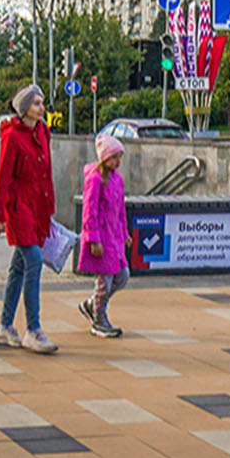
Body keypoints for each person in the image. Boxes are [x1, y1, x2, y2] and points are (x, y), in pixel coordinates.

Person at [0, 83, 58, 354]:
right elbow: (3, 176)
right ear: (24, 109)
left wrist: (49, 206)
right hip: (18, 208)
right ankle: (33, 330)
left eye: (41, 103)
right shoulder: (12, 136)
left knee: (18, 268)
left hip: (36, 205)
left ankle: (5, 327)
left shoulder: (43, 131)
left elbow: (47, 169)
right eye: (36, 104)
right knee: (33, 261)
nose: (42, 108)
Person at [77, 132, 130, 337]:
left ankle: (93, 304)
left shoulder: (117, 180)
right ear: (104, 157)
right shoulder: (96, 178)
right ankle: (99, 317)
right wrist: (93, 238)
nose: (118, 161)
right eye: (114, 157)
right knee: (105, 279)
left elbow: (120, 209)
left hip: (114, 236)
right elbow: (89, 210)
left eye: (119, 157)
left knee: (122, 276)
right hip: (103, 237)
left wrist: (124, 233)